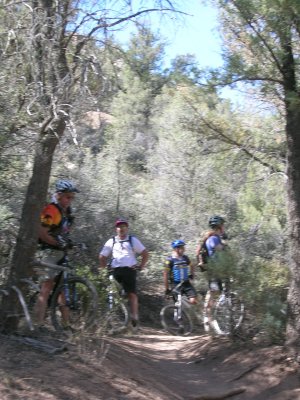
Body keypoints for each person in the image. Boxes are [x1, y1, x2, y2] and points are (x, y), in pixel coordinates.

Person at [34, 179, 79, 328]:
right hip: (48, 252)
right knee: (47, 287)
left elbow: (64, 232)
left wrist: (69, 242)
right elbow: (42, 233)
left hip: (61, 253)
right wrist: (57, 243)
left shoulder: (68, 212)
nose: (70, 200)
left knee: (63, 289)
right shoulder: (51, 210)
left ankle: (66, 325)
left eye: (72, 197)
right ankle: (37, 324)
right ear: (59, 195)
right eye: (68, 197)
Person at [99, 218, 149, 329]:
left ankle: (134, 316)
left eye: (123, 226)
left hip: (129, 270)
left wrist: (140, 266)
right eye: (119, 226)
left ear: (127, 228)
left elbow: (145, 254)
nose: (121, 229)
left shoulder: (132, 240)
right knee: (111, 293)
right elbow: (102, 256)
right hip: (115, 270)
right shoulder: (111, 241)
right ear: (116, 229)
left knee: (131, 293)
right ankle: (110, 317)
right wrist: (103, 271)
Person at [196, 215, 226, 332]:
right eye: (223, 225)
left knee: (215, 293)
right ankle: (208, 320)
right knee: (214, 293)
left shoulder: (215, 237)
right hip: (214, 270)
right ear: (219, 226)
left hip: (217, 270)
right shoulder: (213, 238)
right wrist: (224, 246)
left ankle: (209, 320)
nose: (224, 227)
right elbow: (216, 247)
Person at [163, 240, 197, 305]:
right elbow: (165, 275)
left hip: (186, 283)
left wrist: (191, 274)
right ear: (176, 249)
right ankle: (178, 313)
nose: (184, 250)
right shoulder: (169, 260)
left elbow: (192, 265)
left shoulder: (185, 258)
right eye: (182, 248)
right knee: (177, 303)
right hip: (176, 284)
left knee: (193, 301)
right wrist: (167, 289)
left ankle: (191, 309)